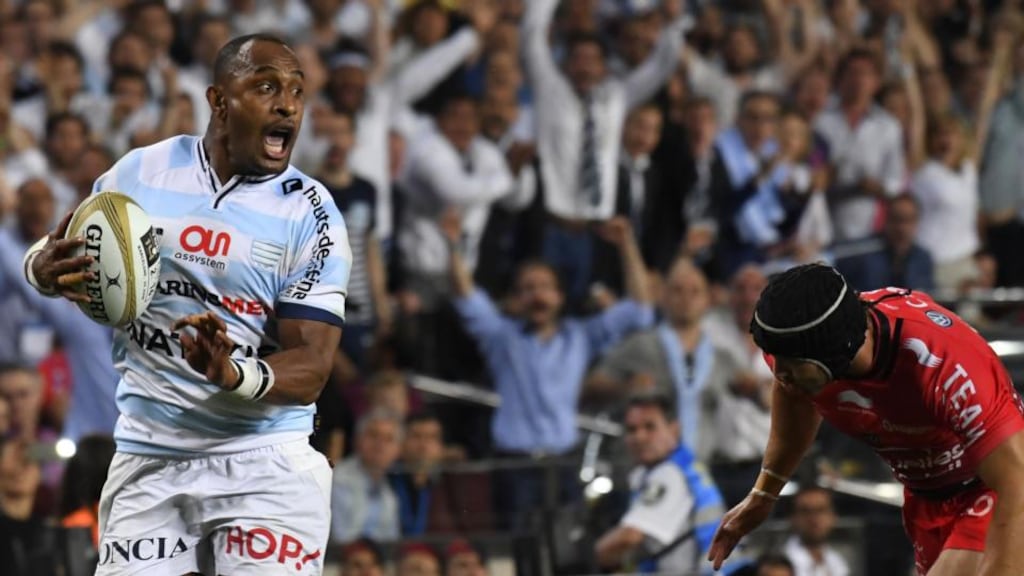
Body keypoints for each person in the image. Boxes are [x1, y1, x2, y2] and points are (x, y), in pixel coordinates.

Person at [22, 34, 352, 575]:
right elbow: (66, 246)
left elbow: (313, 366)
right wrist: (39, 269)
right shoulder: (141, 172)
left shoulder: (311, 214)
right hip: (150, 453)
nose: (288, 106)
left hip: (264, 463)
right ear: (219, 101)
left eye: (297, 91)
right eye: (266, 87)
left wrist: (232, 373)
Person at [708, 263, 1024, 575]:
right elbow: (795, 400)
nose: (777, 373)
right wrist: (763, 495)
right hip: (925, 497)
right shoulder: (802, 352)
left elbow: (1016, 482)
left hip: (995, 486)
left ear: (833, 353)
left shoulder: (941, 362)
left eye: (789, 364)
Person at [446, 210, 653, 528]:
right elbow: (465, 295)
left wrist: (626, 244)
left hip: (564, 463)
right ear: (517, 298)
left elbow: (640, 310)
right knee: (518, 548)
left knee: (566, 548)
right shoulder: (502, 338)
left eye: (545, 287)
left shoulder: (580, 336)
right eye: (528, 288)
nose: (537, 295)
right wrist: (452, 245)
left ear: (559, 296)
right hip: (514, 466)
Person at [587, 258, 737, 461]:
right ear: (663, 296)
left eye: (695, 292)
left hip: (699, 468)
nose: (686, 298)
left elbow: (751, 389)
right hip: (642, 465)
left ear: (708, 300)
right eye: (678, 290)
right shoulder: (639, 344)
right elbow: (591, 388)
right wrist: (624, 387)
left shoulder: (721, 357)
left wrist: (756, 390)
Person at [594, 392, 726, 574]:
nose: (639, 437)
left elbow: (630, 536)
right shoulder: (682, 465)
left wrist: (590, 557)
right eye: (631, 429)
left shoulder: (670, 474)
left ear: (674, 429)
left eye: (650, 427)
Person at [832, 194, 935, 293]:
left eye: (908, 220)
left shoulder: (923, 258)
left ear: (917, 222)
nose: (902, 228)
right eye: (896, 219)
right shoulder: (860, 252)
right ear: (886, 220)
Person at [330, 408, 403, 544]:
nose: (380, 444)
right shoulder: (337, 479)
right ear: (357, 440)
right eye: (373, 435)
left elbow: (391, 541)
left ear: (398, 450)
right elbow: (341, 541)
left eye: (388, 439)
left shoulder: (389, 489)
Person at [783, 486, 850, 576]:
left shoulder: (837, 561)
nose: (814, 519)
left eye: (821, 510)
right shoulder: (780, 564)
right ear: (792, 518)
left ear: (833, 517)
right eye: (805, 511)